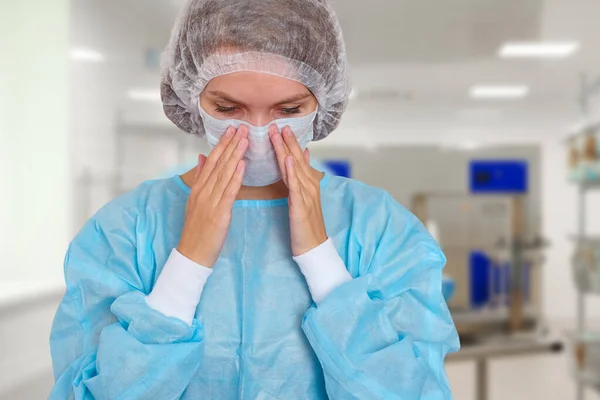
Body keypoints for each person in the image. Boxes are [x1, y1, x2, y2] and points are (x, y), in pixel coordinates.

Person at [49, 0, 459, 398]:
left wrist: (323, 263)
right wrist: (185, 267)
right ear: (192, 99)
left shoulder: (380, 228)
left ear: (322, 104)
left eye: (289, 109)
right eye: (228, 108)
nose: (258, 131)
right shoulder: (123, 231)